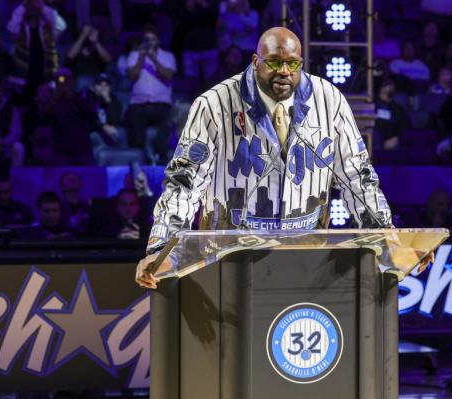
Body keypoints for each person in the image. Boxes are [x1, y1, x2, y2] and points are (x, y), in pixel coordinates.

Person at [136, 27, 395, 288]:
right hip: (227, 264)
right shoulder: (213, 105)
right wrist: (161, 248)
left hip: (307, 263)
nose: (284, 71)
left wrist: (386, 240)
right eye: (274, 62)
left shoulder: (330, 100)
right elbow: (185, 182)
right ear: (255, 61)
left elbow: (357, 175)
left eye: (292, 63)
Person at [126, 24, 176, 164]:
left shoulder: (167, 56)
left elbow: (168, 75)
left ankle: (161, 160)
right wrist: (141, 59)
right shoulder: (134, 55)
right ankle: (139, 162)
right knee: (137, 137)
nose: (149, 42)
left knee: (165, 129)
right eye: (146, 39)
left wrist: (154, 59)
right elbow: (132, 75)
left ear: (158, 41)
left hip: (162, 105)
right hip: (139, 104)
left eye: (152, 39)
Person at [6, 0, 67, 100]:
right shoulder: (20, 28)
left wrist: (42, 6)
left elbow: (61, 25)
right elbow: (12, 27)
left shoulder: (48, 27)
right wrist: (24, 4)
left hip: (46, 78)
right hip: (23, 80)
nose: (33, 8)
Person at [89, 73, 127, 163]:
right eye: (99, 85)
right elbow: (87, 120)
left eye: (106, 85)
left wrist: (108, 101)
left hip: (111, 133)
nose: (103, 88)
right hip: (95, 132)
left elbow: (116, 120)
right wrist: (103, 127)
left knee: (120, 133)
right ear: (94, 87)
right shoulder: (89, 100)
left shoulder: (115, 102)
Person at [65, 25, 112, 91]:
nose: (89, 35)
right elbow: (70, 56)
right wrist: (83, 35)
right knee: (82, 80)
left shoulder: (97, 48)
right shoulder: (76, 46)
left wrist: (96, 41)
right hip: (79, 80)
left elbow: (108, 59)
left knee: (102, 82)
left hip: (96, 80)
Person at [0, 80, 25, 166]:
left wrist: (4, 142)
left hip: (7, 145)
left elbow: (16, 131)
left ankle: (16, 175)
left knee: (18, 148)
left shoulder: (11, 109)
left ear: (2, 92)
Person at [373, 78, 409, 151]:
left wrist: (395, 138)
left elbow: (404, 125)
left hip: (391, 139)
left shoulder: (397, 108)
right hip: (374, 138)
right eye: (387, 85)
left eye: (391, 86)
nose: (390, 88)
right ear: (381, 88)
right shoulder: (372, 103)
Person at [59, 171, 90, 236]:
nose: (72, 180)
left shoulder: (89, 208)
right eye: (68, 179)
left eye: (75, 178)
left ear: (80, 184)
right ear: (62, 187)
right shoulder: (56, 209)